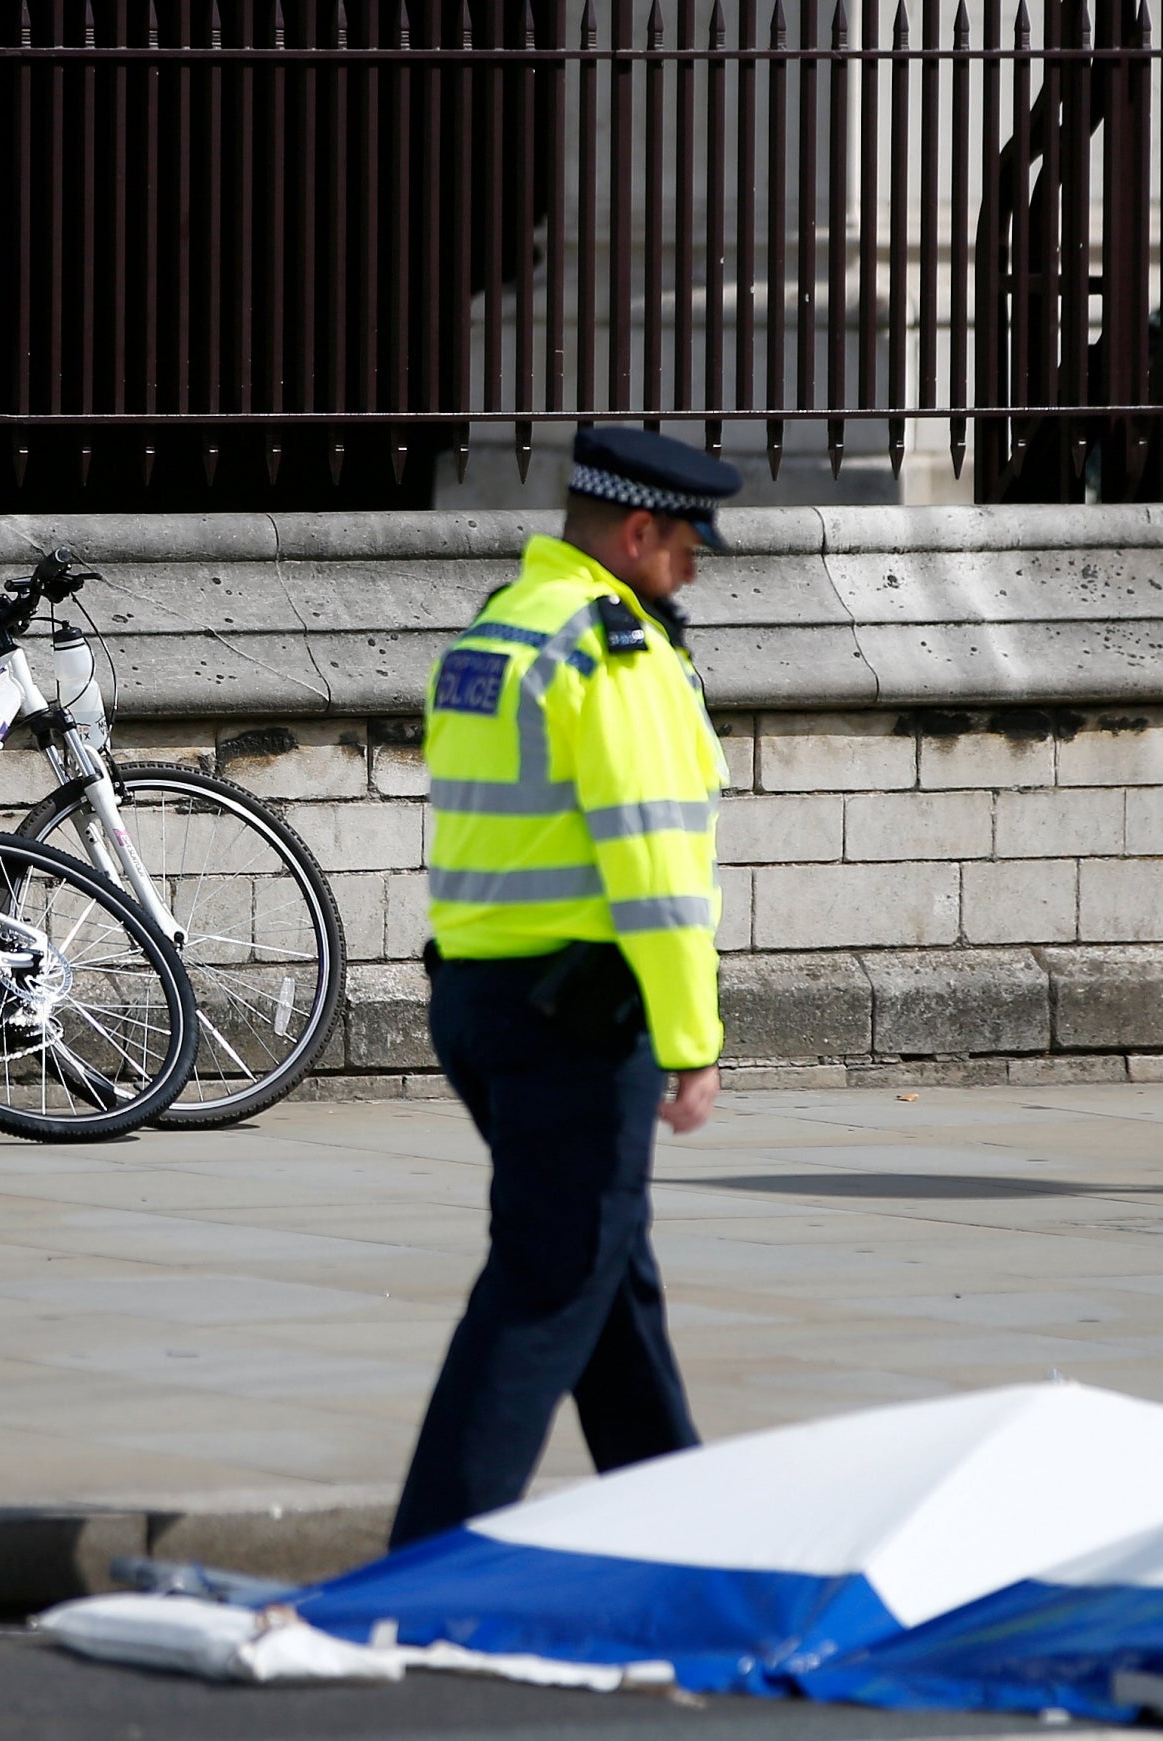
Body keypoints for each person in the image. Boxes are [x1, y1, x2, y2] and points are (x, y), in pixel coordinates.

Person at [388, 425, 741, 1551]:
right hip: (578, 1021)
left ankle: (677, 1527)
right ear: (638, 535)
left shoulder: (498, 628)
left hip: (480, 1001)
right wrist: (690, 1038)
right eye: (688, 545)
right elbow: (658, 871)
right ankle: (432, 1553)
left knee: (607, 1276)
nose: (692, 567)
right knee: (552, 1281)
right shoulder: (614, 651)